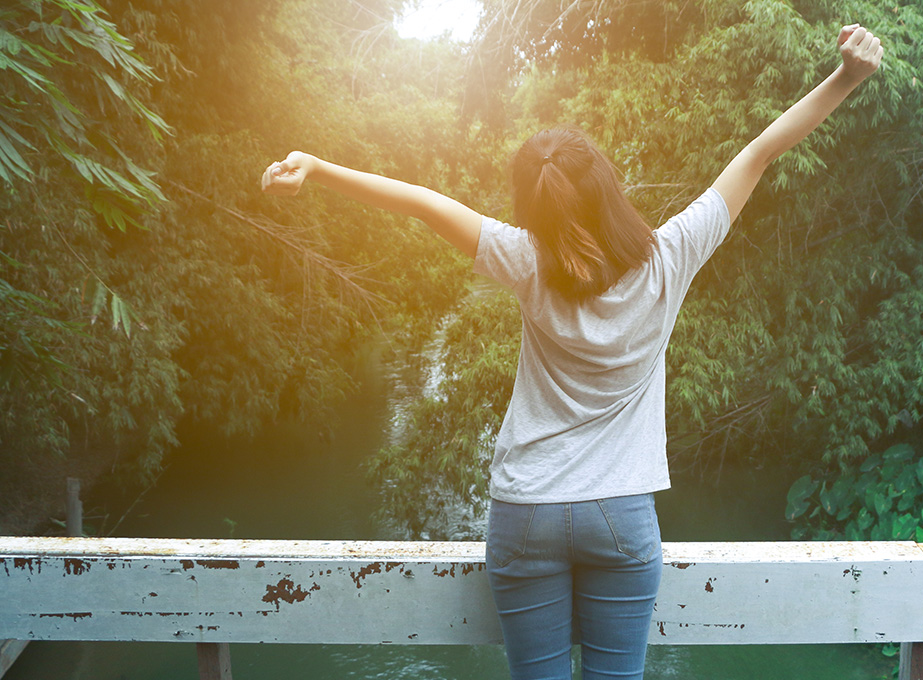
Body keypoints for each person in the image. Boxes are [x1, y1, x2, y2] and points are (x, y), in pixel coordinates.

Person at [261, 21, 883, 680]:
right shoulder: (672, 256)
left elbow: (424, 206)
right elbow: (760, 153)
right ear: (609, 189)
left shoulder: (525, 259)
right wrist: (847, 77)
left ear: (532, 209)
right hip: (620, 515)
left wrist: (319, 169)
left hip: (525, 510)